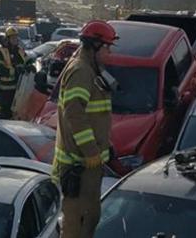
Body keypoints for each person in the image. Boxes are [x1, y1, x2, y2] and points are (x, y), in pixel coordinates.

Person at [52, 20, 118, 238]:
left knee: (89, 219)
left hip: (88, 164)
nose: (109, 52)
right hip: (79, 165)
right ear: (94, 45)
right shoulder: (81, 71)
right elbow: (75, 114)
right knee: (77, 224)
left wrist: (105, 145)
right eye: (107, 47)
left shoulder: (91, 69)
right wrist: (91, 150)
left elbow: (93, 115)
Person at [0, 26, 35, 119]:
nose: (15, 40)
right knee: (6, 114)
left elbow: (28, 61)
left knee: (18, 115)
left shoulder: (19, 50)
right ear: (7, 39)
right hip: (5, 91)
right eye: (13, 38)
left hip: (20, 89)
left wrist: (31, 66)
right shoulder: (0, 52)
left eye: (16, 37)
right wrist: (16, 71)